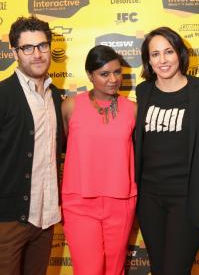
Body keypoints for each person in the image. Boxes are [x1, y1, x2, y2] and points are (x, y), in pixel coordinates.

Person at [135, 26, 199, 275]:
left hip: (188, 199)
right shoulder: (143, 92)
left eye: (168, 51)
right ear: (148, 60)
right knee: (159, 269)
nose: (163, 60)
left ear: (180, 53)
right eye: (155, 54)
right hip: (149, 198)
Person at [61, 45, 137, 275]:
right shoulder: (71, 106)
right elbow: (64, 146)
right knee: (88, 270)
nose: (113, 79)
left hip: (121, 200)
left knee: (115, 270)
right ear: (90, 75)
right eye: (104, 74)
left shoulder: (133, 109)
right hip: (79, 201)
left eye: (117, 72)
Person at [0, 15, 63, 275]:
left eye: (42, 45)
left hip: (46, 219)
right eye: (28, 48)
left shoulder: (57, 97)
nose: (37, 54)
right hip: (7, 221)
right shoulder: (3, 95)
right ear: (15, 52)